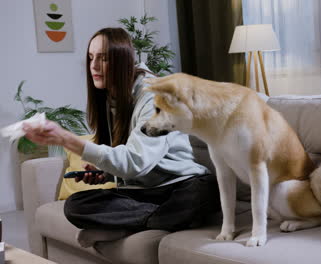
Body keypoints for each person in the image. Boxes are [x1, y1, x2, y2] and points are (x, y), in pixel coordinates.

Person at [23, 27, 220, 247]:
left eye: (103, 58)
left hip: (184, 185)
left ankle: (126, 225)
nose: (94, 66)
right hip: (145, 193)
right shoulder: (113, 97)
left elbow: (136, 161)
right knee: (76, 205)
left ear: (122, 61)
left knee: (199, 196)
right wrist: (105, 173)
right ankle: (156, 221)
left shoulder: (158, 98)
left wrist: (66, 139)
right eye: (91, 58)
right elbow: (128, 161)